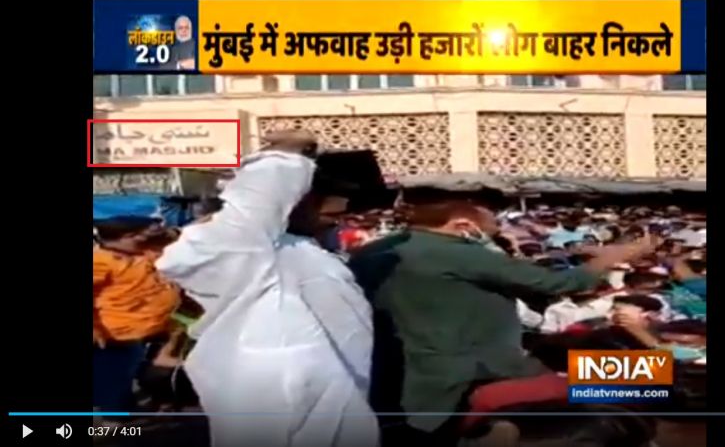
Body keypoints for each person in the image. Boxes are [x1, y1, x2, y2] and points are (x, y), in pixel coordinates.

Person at [348, 200, 658, 446]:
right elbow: (555, 283)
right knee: (650, 378)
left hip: (400, 374)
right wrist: (616, 255)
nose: (493, 240)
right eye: (492, 231)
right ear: (463, 225)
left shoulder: (371, 252)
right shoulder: (456, 251)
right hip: (479, 369)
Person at [156, 131, 378, 447]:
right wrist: (286, 154)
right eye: (324, 200)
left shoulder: (302, 249)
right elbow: (250, 211)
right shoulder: (235, 248)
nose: (339, 214)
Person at [93, 216, 180, 414]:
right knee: (114, 380)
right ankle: (113, 423)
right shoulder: (101, 261)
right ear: (129, 236)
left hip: (156, 328)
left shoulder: (146, 252)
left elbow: (184, 235)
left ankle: (154, 400)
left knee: (147, 369)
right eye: (145, 231)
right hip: (118, 334)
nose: (154, 231)